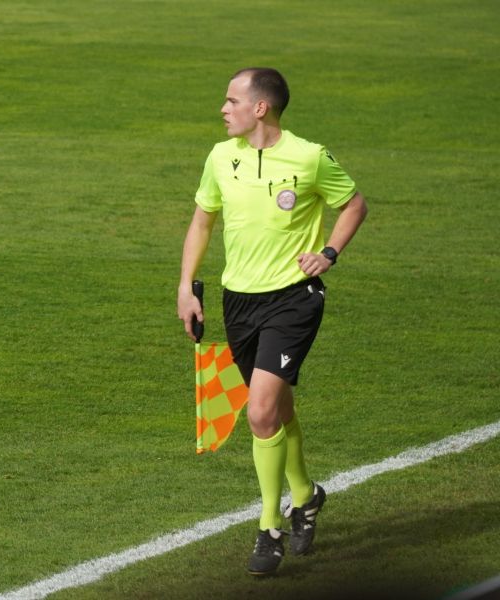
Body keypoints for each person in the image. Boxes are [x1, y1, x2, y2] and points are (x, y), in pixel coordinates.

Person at [177, 67, 367, 576]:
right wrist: (185, 286)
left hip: (293, 299)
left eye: (231, 100)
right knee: (278, 407)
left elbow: (353, 204)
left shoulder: (308, 156)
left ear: (260, 107)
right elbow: (202, 220)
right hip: (237, 299)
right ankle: (306, 495)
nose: (223, 109)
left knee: (259, 411)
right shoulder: (221, 157)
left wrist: (328, 252)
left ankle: (269, 526)